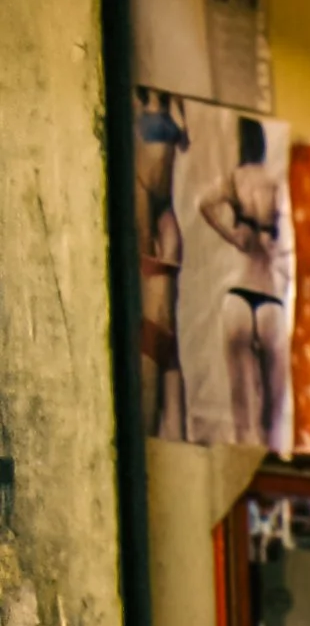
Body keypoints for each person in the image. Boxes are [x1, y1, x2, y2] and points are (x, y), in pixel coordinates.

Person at [197, 115, 291, 450]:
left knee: (241, 418)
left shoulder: (235, 180)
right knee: (273, 418)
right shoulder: (274, 184)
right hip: (269, 299)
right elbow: (281, 242)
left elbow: (204, 204)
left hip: (237, 298)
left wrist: (232, 236)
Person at [134, 87, 189, 438]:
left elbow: (185, 140)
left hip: (163, 198)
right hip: (142, 186)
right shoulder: (135, 101)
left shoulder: (173, 103)